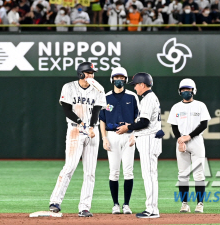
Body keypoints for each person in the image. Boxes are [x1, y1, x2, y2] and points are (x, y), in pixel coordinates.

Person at [49, 62, 106, 218]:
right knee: (70, 166)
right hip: (75, 129)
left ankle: (84, 207)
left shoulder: (98, 89)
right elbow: (66, 110)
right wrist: (83, 124)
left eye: (92, 73)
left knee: (90, 172)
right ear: (81, 74)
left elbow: (96, 111)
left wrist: (92, 127)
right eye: (88, 72)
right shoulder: (69, 87)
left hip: (91, 130)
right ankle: (55, 201)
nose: (91, 75)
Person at [115, 72, 164, 219]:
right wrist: (132, 131)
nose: (135, 88)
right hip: (148, 138)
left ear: (142, 84)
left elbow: (144, 122)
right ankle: (152, 208)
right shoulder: (149, 98)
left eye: (136, 84)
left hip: (149, 139)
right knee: (150, 175)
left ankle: (152, 210)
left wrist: (128, 127)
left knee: (149, 176)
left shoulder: (148, 98)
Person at [99, 66, 139, 215]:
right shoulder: (105, 97)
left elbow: (138, 117)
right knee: (114, 172)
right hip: (112, 136)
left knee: (128, 171)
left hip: (128, 135)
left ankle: (126, 204)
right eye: (116, 77)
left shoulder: (132, 96)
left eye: (122, 77)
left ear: (126, 79)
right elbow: (101, 120)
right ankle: (115, 204)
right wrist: (104, 138)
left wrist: (135, 133)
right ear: (112, 79)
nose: (119, 80)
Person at [168, 78, 210, 214]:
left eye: (189, 89)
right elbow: (174, 126)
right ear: (180, 91)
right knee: (183, 175)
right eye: (184, 89)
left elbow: (204, 124)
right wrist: (180, 141)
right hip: (182, 142)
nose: (186, 91)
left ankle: (200, 204)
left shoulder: (200, 105)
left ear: (194, 90)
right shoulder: (176, 107)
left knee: (198, 174)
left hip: (196, 141)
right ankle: (184, 204)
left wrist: (189, 137)